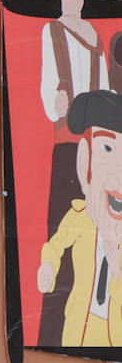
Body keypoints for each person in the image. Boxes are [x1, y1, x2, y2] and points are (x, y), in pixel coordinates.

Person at [37, 89, 122, 346]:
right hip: (77, 327)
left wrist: (116, 264)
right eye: (107, 149)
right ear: (85, 161)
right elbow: (56, 245)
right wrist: (48, 268)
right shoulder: (80, 217)